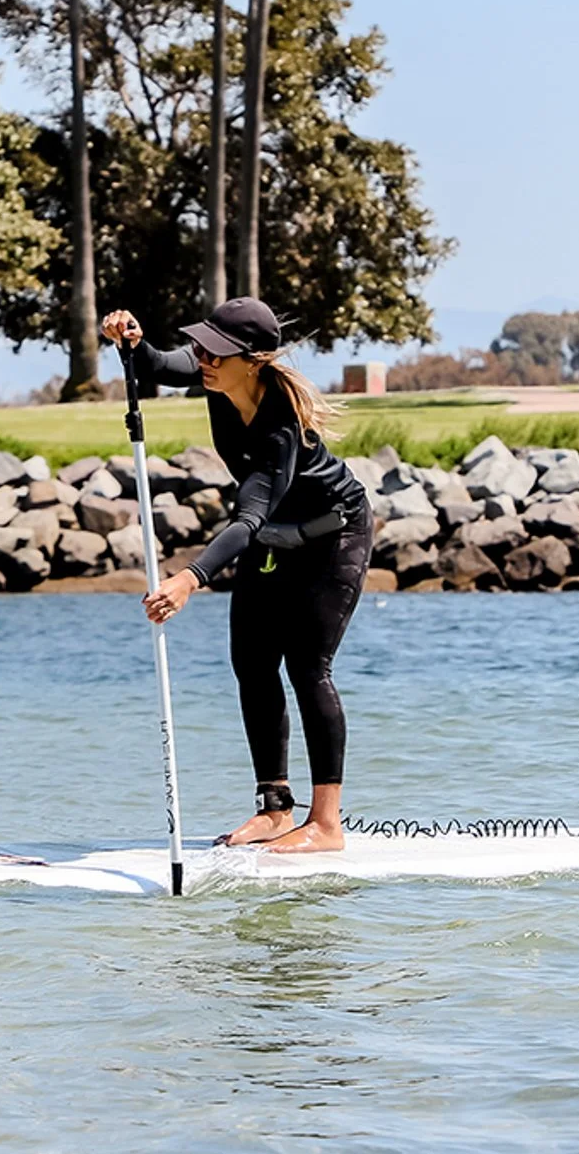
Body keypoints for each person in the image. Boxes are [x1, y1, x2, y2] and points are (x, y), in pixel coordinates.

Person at [102, 297, 373, 853]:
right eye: (201, 346)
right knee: (251, 660)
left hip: (332, 537)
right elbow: (156, 364)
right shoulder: (216, 380)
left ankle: (325, 824)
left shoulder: (279, 429)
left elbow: (249, 516)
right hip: (275, 538)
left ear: (252, 360)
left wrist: (189, 578)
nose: (202, 358)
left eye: (215, 352)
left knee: (306, 666)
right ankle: (275, 809)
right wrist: (132, 337)